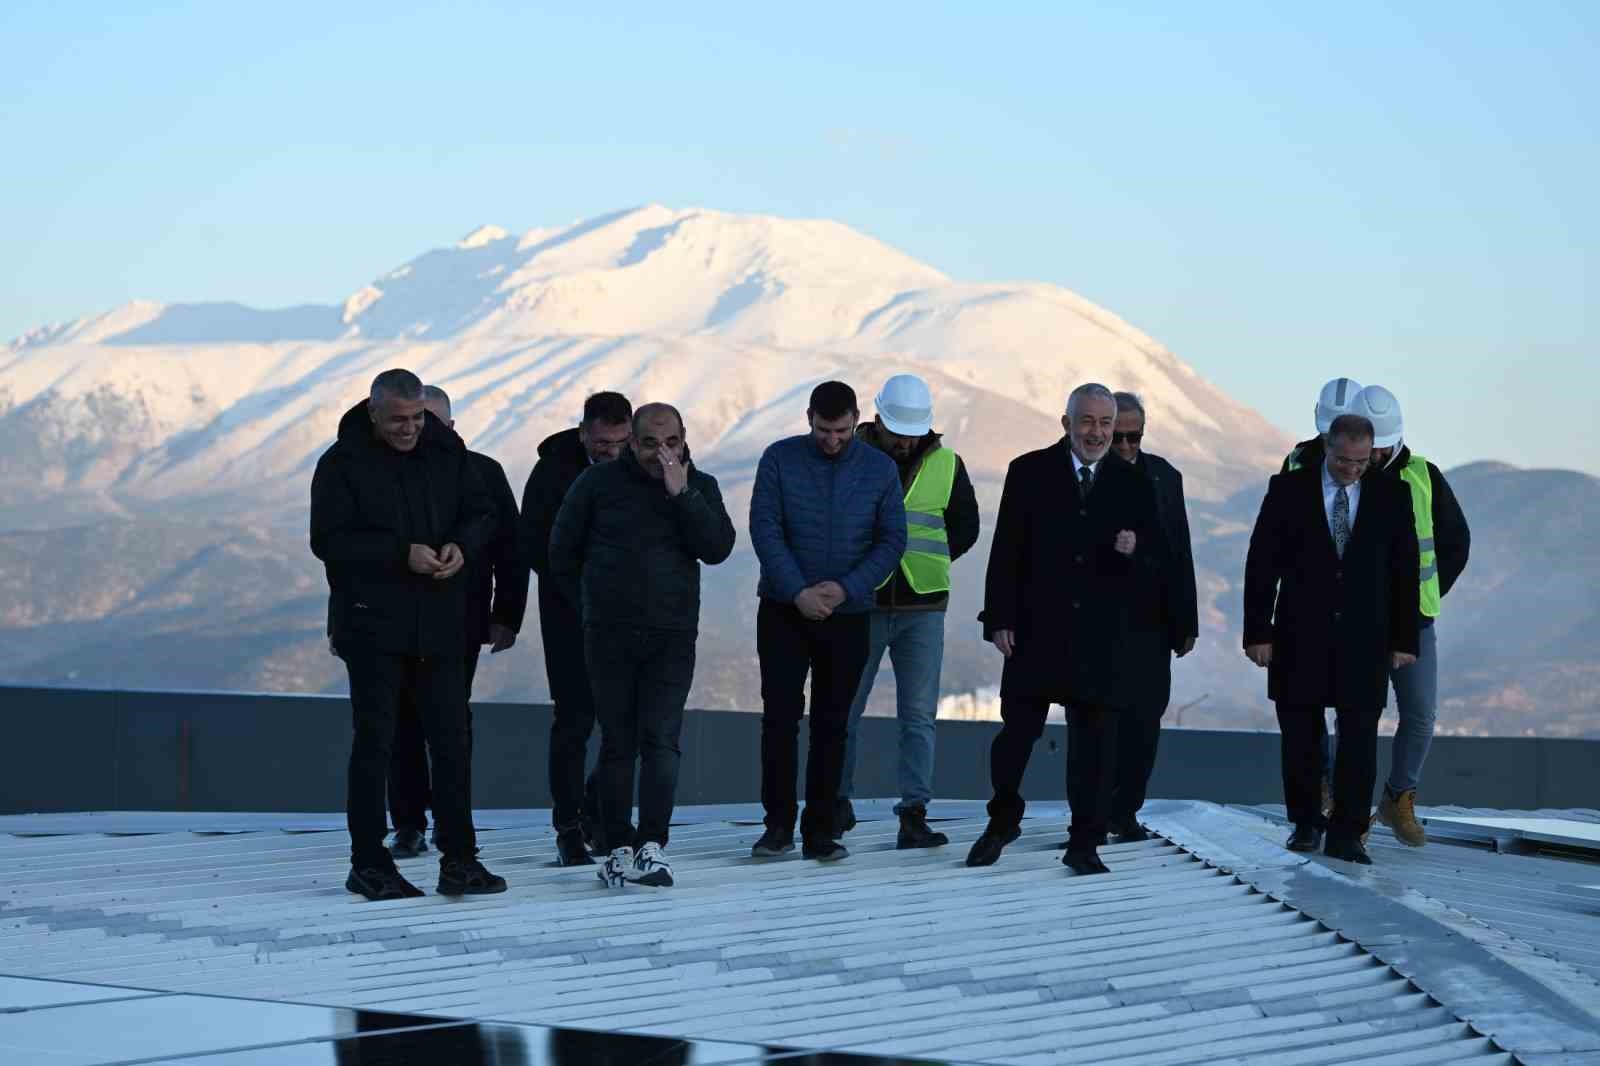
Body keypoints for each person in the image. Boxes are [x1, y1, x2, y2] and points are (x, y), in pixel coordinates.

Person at [311, 368, 506, 899]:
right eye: (399, 419)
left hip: (441, 623)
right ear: (373, 413)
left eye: (418, 417)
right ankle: (368, 862)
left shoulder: (447, 452)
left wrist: (461, 546)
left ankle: (460, 859)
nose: (410, 428)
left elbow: (482, 512)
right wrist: (401, 555)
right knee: (376, 744)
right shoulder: (342, 463)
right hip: (373, 624)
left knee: (452, 742)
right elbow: (328, 541)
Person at [969, 383, 1164, 875]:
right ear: (1067, 423)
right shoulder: (1028, 472)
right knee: (1016, 736)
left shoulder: (1134, 483)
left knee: (1095, 746)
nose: (1097, 433)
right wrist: (999, 619)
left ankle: (1084, 842)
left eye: (1106, 423)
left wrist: (1134, 550)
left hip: (1101, 637)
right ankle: (1002, 821)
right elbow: (1006, 550)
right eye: (1087, 421)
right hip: (1036, 630)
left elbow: (1158, 560)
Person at [549, 403, 735, 889]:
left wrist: (683, 495)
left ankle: (653, 844)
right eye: (650, 443)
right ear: (632, 442)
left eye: (670, 442)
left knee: (662, 740)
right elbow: (561, 552)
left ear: (684, 439)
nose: (661, 453)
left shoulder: (701, 486)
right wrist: (592, 606)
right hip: (609, 634)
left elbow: (718, 548)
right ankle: (616, 846)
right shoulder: (597, 484)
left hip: (672, 633)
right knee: (618, 742)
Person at [1244, 413, 1420, 865]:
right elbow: (1261, 563)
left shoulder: (1392, 494)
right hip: (1299, 633)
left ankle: (1348, 832)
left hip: (1365, 638)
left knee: (1359, 739)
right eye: (1344, 460)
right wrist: (1258, 632)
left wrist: (1405, 639)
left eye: (1361, 462)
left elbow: (1405, 570)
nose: (1352, 470)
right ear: (1327, 446)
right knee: (1301, 735)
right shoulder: (1288, 489)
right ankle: (1306, 823)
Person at [748, 381, 907, 862]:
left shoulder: (879, 469)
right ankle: (777, 827)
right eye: (823, 430)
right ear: (809, 419)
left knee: (833, 724)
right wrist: (797, 591)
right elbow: (765, 528)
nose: (832, 440)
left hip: (848, 613)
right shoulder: (779, 459)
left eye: (841, 431)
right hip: (784, 610)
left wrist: (846, 588)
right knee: (780, 718)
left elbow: (891, 540)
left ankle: (821, 830)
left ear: (856, 420)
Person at [837, 374, 980, 848]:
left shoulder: (947, 464)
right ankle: (834, 805)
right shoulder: (850, 456)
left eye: (911, 433)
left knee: (918, 716)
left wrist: (927, 561)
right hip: (862, 603)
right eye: (897, 431)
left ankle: (913, 814)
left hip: (924, 605)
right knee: (844, 710)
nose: (904, 441)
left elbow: (965, 527)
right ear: (877, 420)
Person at [385, 386, 528, 858]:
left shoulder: (482, 472)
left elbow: (511, 548)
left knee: (450, 724)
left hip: (461, 618)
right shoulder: (384, 472)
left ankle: (452, 826)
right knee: (401, 719)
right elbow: (350, 559)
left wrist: (506, 616)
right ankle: (408, 822)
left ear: (450, 427)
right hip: (395, 619)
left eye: (430, 422)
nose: (420, 431)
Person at [1349, 385, 1471, 847]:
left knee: (1420, 714)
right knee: (1356, 716)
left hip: (1414, 622)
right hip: (1359, 622)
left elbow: (1455, 543)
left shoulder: (1423, 476)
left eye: (1382, 445)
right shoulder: (1343, 475)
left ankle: (1398, 797)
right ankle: (1348, 809)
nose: (1376, 453)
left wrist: (1425, 598)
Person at [518, 392, 633, 866]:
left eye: (621, 442)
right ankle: (567, 827)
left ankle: (597, 811)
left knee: (626, 721)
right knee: (574, 719)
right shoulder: (552, 471)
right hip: (569, 615)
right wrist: (582, 588)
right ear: (584, 433)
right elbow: (533, 543)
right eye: (603, 442)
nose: (612, 451)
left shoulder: (644, 464)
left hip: (628, 616)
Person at [1104, 391, 1198, 840]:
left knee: (1144, 720)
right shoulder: (1088, 475)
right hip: (1100, 622)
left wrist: (1186, 622)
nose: (1125, 446)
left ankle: (1125, 811)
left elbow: (1181, 550)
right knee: (1101, 721)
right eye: (1118, 437)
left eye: (1133, 436)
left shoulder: (1164, 476)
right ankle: (1094, 812)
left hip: (1152, 622)